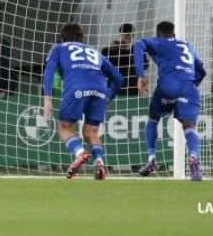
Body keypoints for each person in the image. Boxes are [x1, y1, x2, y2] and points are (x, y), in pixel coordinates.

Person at [42, 22, 123, 180]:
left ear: (62, 37)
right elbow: (118, 78)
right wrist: (108, 96)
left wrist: (47, 99)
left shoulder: (58, 48)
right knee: (90, 132)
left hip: (77, 88)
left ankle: (80, 153)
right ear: (81, 37)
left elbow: (49, 72)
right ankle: (99, 162)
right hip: (100, 89)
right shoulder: (94, 51)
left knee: (65, 127)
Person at [134, 20, 206, 181]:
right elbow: (201, 69)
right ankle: (194, 158)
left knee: (153, 118)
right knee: (190, 126)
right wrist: (189, 87)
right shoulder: (187, 45)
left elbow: (138, 45)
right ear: (174, 34)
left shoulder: (156, 41)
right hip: (189, 88)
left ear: (157, 33)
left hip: (167, 86)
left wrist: (141, 75)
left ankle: (151, 159)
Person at [100, 23, 146, 96]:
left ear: (132, 36)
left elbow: (144, 66)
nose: (124, 38)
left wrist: (130, 48)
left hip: (132, 90)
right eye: (122, 35)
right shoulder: (109, 50)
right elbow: (102, 65)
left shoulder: (137, 51)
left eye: (127, 35)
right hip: (113, 90)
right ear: (119, 35)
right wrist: (109, 49)